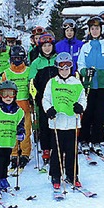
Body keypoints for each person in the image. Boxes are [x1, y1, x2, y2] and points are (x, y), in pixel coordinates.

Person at [42, 52, 87, 190]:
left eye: (67, 67)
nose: (64, 70)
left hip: (72, 123)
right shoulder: (52, 82)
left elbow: (82, 98)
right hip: (57, 123)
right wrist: (48, 109)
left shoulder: (76, 82)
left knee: (71, 151)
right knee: (57, 150)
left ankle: (72, 175)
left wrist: (80, 107)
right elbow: (46, 98)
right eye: (62, 68)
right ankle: (55, 175)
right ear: (58, 68)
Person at [76, 15, 104, 155]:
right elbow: (80, 63)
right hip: (89, 85)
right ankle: (84, 139)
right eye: (92, 28)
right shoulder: (85, 46)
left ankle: (97, 140)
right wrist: (85, 71)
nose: (94, 31)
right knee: (87, 113)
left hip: (103, 84)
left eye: (97, 28)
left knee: (101, 114)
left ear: (102, 29)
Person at [29, 33, 58, 166]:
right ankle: (45, 148)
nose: (47, 48)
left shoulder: (58, 59)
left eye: (49, 45)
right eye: (44, 46)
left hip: (58, 96)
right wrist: (32, 94)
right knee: (44, 124)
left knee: (57, 121)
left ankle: (56, 146)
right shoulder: (36, 62)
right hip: (42, 98)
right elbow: (31, 81)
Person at [2, 45, 32, 171]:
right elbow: (2, 88)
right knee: (12, 130)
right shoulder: (6, 72)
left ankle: (25, 154)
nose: (17, 60)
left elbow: (32, 86)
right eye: (14, 58)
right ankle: (14, 153)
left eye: (19, 58)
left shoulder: (28, 70)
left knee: (25, 131)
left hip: (25, 105)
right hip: (11, 106)